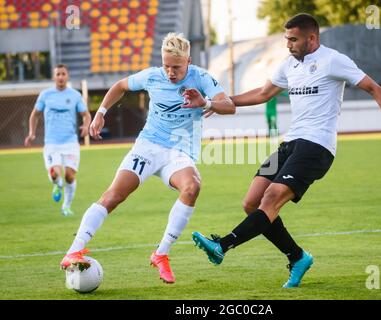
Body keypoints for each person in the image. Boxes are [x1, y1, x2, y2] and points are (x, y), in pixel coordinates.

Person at [190, 13, 381, 288]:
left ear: (312, 38)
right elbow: (262, 93)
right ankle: (297, 257)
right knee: (251, 203)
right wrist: (215, 102)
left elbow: (372, 86)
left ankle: (222, 246)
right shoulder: (288, 66)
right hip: (291, 143)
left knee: (271, 198)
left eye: (294, 39)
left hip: (317, 145)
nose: (288, 44)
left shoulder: (334, 60)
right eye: (286, 39)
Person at [59, 33, 235, 284]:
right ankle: (73, 250)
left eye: (176, 67)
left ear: (188, 61)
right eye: (166, 66)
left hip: (178, 152)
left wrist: (206, 102)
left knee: (192, 186)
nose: (170, 72)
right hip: (148, 146)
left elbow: (229, 105)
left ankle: (161, 254)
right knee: (114, 196)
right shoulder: (152, 75)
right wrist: (100, 113)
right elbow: (120, 86)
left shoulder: (202, 77)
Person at [24, 64, 91, 217]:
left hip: (70, 143)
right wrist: (32, 133)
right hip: (52, 143)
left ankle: (66, 207)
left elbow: (86, 115)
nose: (60, 77)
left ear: (67, 76)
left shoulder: (75, 95)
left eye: (63, 74)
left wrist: (86, 126)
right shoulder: (45, 95)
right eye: (58, 74)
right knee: (55, 173)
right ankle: (57, 184)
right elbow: (34, 114)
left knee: (70, 176)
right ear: (54, 77)